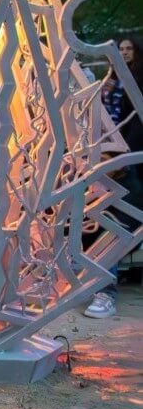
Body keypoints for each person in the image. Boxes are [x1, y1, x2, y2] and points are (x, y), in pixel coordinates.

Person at [85, 35, 143, 319]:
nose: (124, 53)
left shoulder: (136, 83)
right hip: (103, 160)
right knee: (96, 223)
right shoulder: (108, 82)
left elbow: (135, 123)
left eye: (128, 49)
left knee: (117, 224)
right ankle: (99, 288)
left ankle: (105, 292)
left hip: (126, 162)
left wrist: (121, 155)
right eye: (121, 49)